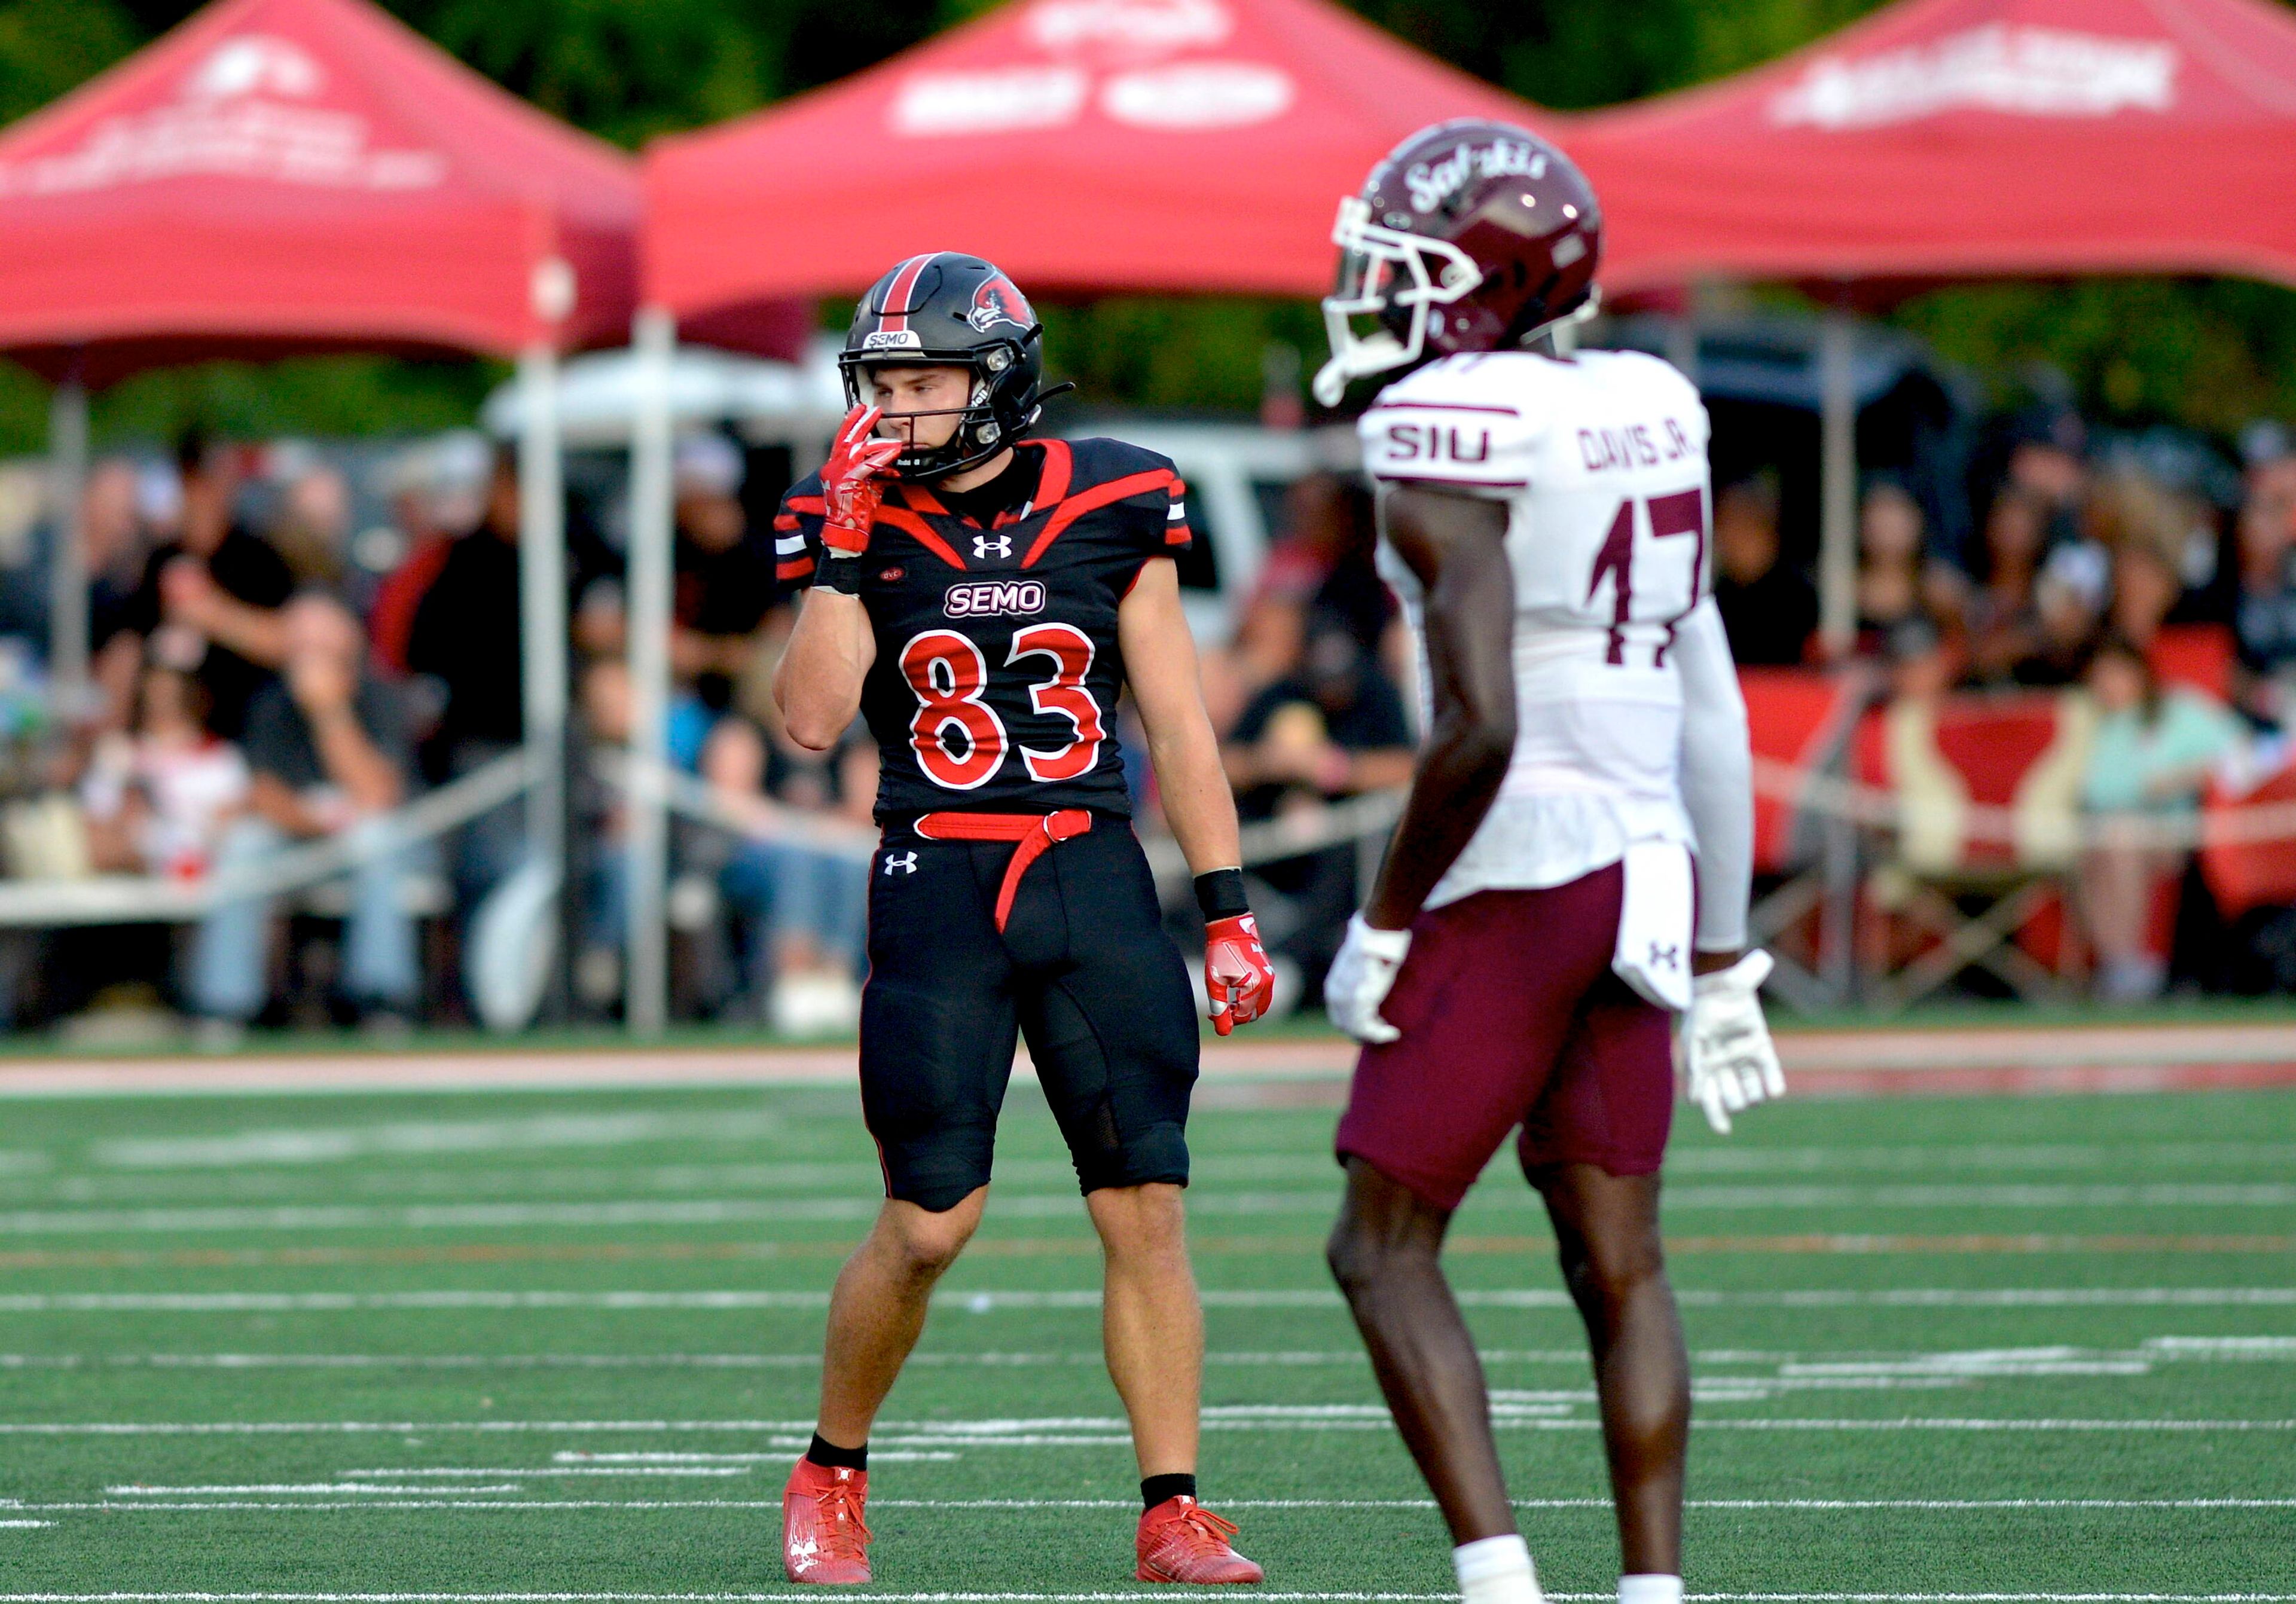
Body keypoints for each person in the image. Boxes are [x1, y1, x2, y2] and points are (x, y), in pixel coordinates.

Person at [1309, 121, 1782, 1604]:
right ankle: (1652, 1591)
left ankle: (1499, 1583)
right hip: (1647, 865)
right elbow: (1710, 710)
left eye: (1403, 263)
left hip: (1517, 863)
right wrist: (1716, 953)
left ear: (1478, 281)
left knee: (1379, 1246)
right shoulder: (1652, 400)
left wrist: (1383, 920)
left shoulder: (1442, 427)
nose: (1372, 289)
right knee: (1619, 1261)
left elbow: (1481, 725)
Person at [768, 252, 1277, 1587]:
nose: (895, 409)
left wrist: (1227, 909)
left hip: (1090, 870)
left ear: (994, 380)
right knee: (932, 1221)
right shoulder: (852, 515)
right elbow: (812, 719)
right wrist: (840, 541)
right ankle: (831, 1465)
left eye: (922, 382)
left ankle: (1173, 1509)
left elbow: (1176, 715)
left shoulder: (1121, 493)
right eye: (880, 382)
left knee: (1146, 1205)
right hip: (939, 875)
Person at [191, 594, 419, 1035]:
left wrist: (329, 712)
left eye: (317, 635)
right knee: (243, 843)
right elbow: (262, 792)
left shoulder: (383, 695)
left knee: (378, 838)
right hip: (297, 832)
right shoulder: (270, 700)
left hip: (369, 839)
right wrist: (312, 822)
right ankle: (224, 1003)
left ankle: (382, 996)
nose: (305, 647)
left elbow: (377, 793)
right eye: (298, 635)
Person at [2080, 634, 2246, 1002]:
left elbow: (2246, 751)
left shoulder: (2179, 710)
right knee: (2095, 850)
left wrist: (2184, 776)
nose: (2108, 684)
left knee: (2121, 838)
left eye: (2116, 673)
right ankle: (2119, 965)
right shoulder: (2092, 722)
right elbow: (2090, 791)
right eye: (2099, 675)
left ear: (2140, 674)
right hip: (2101, 832)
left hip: (2174, 832)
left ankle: (2134, 972)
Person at [119, 431, 294, 741]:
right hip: (170, 732)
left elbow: (283, 642)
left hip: (243, 726)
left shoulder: (259, 556)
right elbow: (135, 639)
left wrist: (212, 613)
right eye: (191, 480)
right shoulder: (161, 558)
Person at [1707, 472, 1815, 666]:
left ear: (1769, 531)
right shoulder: (1714, 601)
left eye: (1745, 525)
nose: (1734, 537)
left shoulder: (1797, 598)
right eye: (1727, 524)